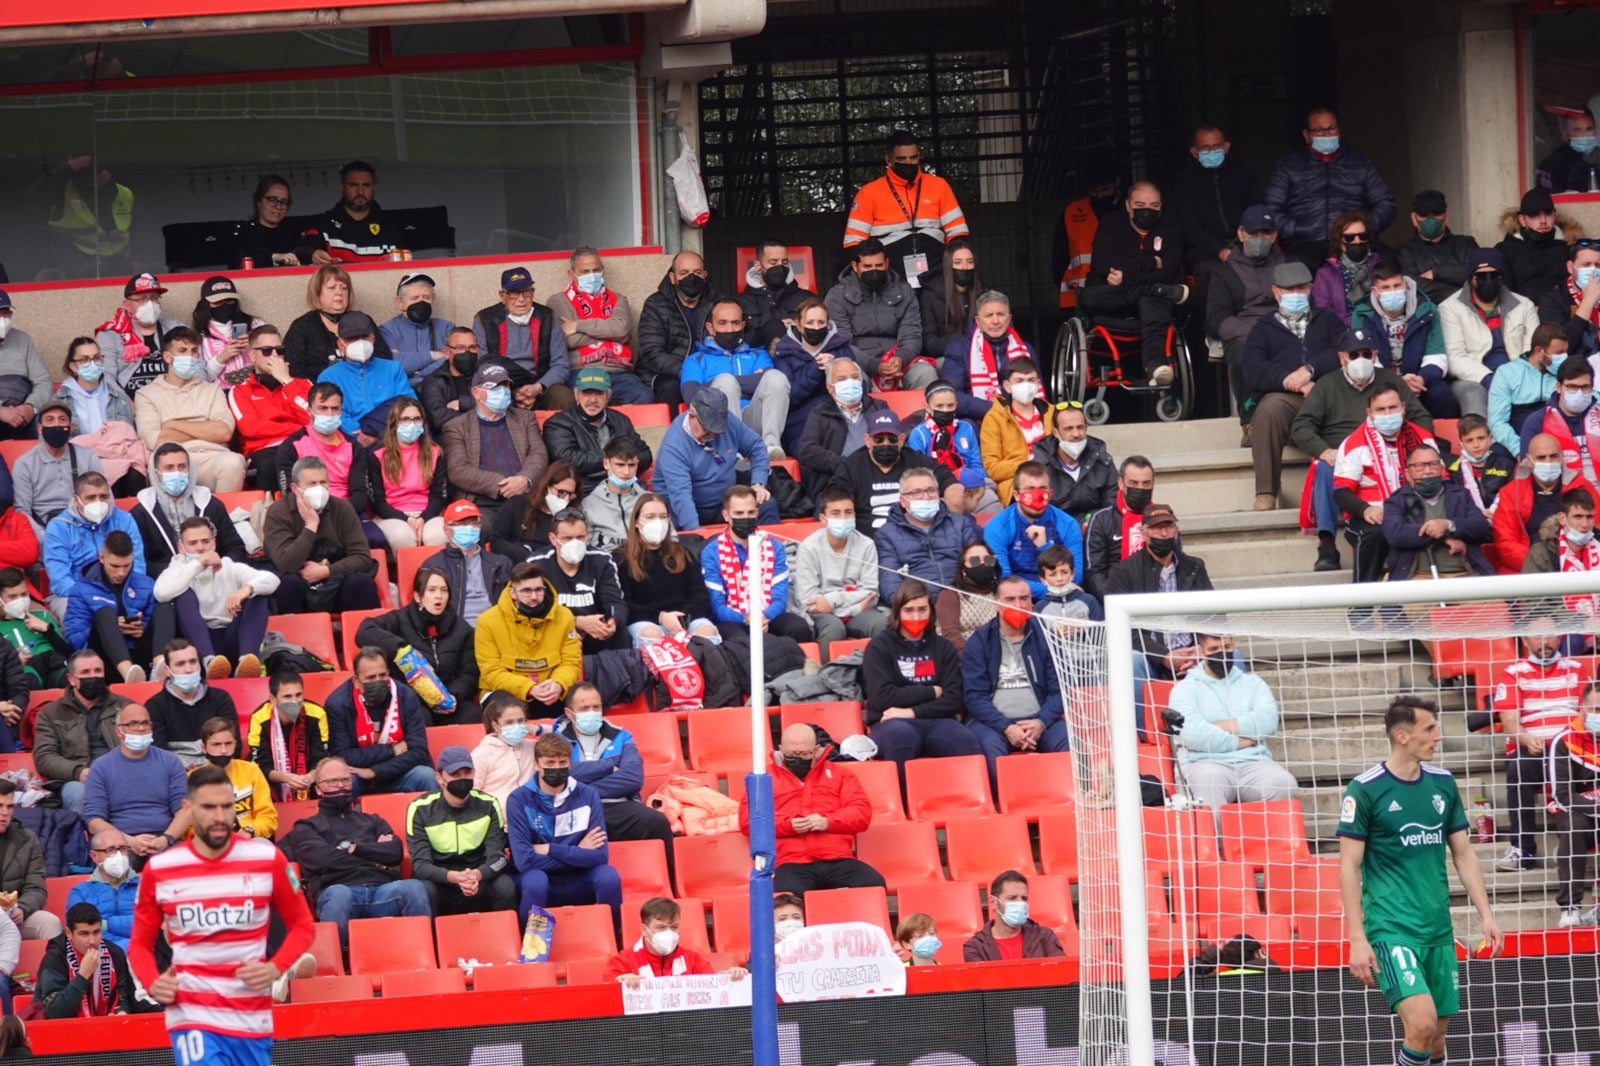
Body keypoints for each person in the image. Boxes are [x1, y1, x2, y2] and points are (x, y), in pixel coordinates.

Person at [1338, 697, 1503, 1066]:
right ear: (1402, 736)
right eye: (1429, 729)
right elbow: (1348, 867)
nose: (1437, 737)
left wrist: (1487, 916)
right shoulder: (1365, 789)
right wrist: (1357, 939)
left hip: (1437, 930)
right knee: (1423, 1023)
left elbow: (1463, 853)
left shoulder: (1443, 784)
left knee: (1436, 1042)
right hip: (1392, 928)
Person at [1291, 335, 1434, 571]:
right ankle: (1327, 544)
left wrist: (1413, 447)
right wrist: (1323, 450)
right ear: (1341, 358)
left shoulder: (1390, 380)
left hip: (1389, 447)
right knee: (1326, 468)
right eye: (1353, 355)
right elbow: (1301, 426)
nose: (1361, 360)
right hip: (1341, 453)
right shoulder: (1327, 384)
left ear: (1375, 355)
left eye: (1366, 354)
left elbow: (1421, 418)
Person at [282, 756, 428, 947]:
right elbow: (324, 860)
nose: (340, 786)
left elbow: (394, 853)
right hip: (339, 892)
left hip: (382, 891)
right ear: (318, 789)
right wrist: (374, 852)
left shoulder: (373, 820)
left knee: (414, 887)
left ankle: (421, 953)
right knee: (339, 894)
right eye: (332, 782)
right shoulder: (306, 827)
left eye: (345, 780)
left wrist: (354, 848)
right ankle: (335, 964)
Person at [1241, 261, 1346, 508]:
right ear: (1276, 292)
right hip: (1288, 398)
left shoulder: (1328, 320)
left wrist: (1310, 371)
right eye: (1289, 290)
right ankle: (1266, 492)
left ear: (1310, 289)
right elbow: (1254, 369)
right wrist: (1292, 382)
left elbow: (1342, 350)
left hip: (1328, 394)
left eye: (1301, 288)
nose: (1296, 295)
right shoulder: (1262, 328)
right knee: (1268, 409)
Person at [551, 683, 677, 884]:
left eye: (596, 707)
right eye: (584, 709)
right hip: (575, 808)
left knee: (656, 822)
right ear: (570, 713)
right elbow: (560, 774)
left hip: (619, 805)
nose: (592, 713)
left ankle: (671, 887)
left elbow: (632, 778)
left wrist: (582, 786)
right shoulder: (555, 739)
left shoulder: (621, 735)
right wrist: (608, 766)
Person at [743, 723, 882, 895]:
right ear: (781, 748)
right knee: (787, 896)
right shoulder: (763, 779)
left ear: (816, 750)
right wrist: (789, 825)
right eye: (791, 754)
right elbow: (748, 822)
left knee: (873, 884)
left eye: (804, 753)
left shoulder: (840, 774)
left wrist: (827, 821)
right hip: (790, 862)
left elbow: (861, 813)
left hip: (837, 858)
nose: (798, 758)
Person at [1493, 617, 1587, 871]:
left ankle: (1571, 842)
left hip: (1572, 747)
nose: (1544, 641)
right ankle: (1522, 851)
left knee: (1587, 767)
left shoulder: (1577, 668)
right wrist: (1525, 738)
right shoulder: (1512, 672)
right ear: (1524, 640)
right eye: (1537, 636)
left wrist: (1570, 742)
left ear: (1560, 637)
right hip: (1534, 747)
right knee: (1519, 768)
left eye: (1549, 635)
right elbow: (1509, 719)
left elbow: (1587, 713)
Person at [1164, 632, 1299, 809]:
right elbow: (1192, 735)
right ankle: (1216, 838)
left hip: (1253, 762)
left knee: (1283, 783)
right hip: (1202, 763)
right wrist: (1242, 740)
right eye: (1213, 649)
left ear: (1233, 646)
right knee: (1208, 789)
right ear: (1200, 651)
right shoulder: (1184, 689)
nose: (1222, 653)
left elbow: (1267, 721)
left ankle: (1265, 837)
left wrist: (1219, 726)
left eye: (1226, 647)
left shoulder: (1253, 683)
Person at [860, 579, 979, 775]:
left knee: (966, 742)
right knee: (901, 737)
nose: (916, 616)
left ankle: (965, 803)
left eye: (922, 609)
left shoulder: (943, 648)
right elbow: (882, 697)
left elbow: (953, 698)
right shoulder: (879, 647)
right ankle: (904, 804)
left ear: (931, 611)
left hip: (938, 721)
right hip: (890, 724)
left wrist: (910, 712)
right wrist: (932, 691)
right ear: (897, 611)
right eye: (909, 610)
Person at [1076, 181, 1189, 388]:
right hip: (1110, 300)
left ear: (1161, 206)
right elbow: (1102, 263)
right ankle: (1155, 290)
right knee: (1088, 297)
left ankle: (1155, 366)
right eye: (1140, 204)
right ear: (1128, 205)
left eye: (1154, 206)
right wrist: (1150, 263)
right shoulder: (1111, 223)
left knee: (1152, 301)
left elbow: (1168, 271)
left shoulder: (1171, 226)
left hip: (1148, 303)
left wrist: (1127, 278)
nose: (1147, 210)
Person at [506, 732, 623, 927]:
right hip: (541, 880)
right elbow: (525, 862)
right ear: (536, 764)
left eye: (562, 763)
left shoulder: (587, 795)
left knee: (608, 875)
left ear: (570, 764)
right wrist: (579, 852)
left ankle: (614, 936)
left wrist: (551, 849)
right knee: (535, 879)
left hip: (577, 878)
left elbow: (600, 856)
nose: (557, 768)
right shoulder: (518, 800)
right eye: (550, 763)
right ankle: (529, 945)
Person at [1331, 383, 1440, 584]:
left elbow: (1443, 480)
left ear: (1403, 407)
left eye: (1393, 408)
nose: (1388, 414)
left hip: (1419, 510)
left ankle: (1401, 605)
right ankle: (1362, 607)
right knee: (1376, 534)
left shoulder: (1422, 438)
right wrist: (1365, 510)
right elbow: (1341, 491)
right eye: (1380, 410)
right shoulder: (1354, 443)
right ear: (1369, 413)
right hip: (1373, 516)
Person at [961, 576, 1068, 778]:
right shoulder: (979, 641)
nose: (1018, 605)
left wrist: (1041, 722)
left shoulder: (1047, 638)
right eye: (1010, 599)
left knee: (1068, 743)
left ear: (1032, 603)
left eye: (1024, 598)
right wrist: (1006, 727)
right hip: (993, 723)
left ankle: (1066, 802)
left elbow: (1059, 691)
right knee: (988, 749)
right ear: (996, 604)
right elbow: (974, 696)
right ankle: (1005, 806)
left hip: (1041, 720)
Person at [1261, 108, 1396, 267]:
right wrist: (1297, 229)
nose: (1326, 135)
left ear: (1339, 131)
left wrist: (1362, 227)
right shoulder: (1289, 165)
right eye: (1319, 130)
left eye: (1331, 129)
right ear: (1306, 135)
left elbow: (1386, 204)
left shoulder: (1360, 163)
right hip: (1306, 242)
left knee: (1388, 261)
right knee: (1297, 266)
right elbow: (1271, 210)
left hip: (1353, 240)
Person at [1107, 504, 1213, 694]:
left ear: (1177, 531)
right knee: (1132, 660)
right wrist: (1163, 656)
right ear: (1144, 534)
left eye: (1169, 527)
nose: (1164, 534)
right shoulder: (1123, 572)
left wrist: (1202, 648)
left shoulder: (1194, 567)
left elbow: (1213, 615)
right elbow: (1121, 628)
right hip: (1150, 657)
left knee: (1231, 655)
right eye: (1157, 528)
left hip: (1193, 654)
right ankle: (1137, 724)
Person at [152, 518, 276, 680]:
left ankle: (247, 660)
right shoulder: (178, 570)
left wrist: (245, 591)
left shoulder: (229, 566)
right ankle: (209, 660)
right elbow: (161, 593)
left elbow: (272, 579)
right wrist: (200, 562)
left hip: (231, 635)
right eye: (193, 543)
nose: (200, 548)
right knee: (183, 594)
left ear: (214, 543)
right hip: (197, 643)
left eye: (205, 541)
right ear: (181, 547)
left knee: (257, 592)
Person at [355, 566, 479, 722]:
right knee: (419, 718)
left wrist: (452, 696)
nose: (438, 596)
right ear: (418, 596)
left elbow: (468, 673)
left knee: (473, 715)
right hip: (411, 699)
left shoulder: (462, 629)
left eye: (444, 590)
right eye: (431, 590)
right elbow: (364, 631)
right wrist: (400, 649)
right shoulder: (400, 619)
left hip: (446, 698)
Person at [404, 746, 516, 916]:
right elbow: (420, 865)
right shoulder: (419, 809)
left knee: (505, 885)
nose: (462, 779)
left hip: (479, 879)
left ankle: (507, 939)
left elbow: (498, 857)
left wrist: (477, 875)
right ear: (439, 778)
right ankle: (429, 940)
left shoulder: (489, 804)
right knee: (423, 889)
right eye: (455, 775)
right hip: (441, 882)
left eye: (467, 773)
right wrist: (456, 877)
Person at [261, 456, 381, 614]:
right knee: (287, 584)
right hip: (296, 581)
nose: (319, 489)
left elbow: (362, 558)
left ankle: (368, 635)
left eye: (323, 482)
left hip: (334, 579)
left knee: (362, 583)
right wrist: (311, 525)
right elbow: (286, 564)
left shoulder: (343, 508)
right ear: (295, 488)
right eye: (312, 484)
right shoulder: (278, 512)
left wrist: (326, 571)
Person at [1206, 204, 1286, 439]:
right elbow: (1217, 318)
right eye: (1253, 234)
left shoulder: (1288, 264)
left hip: (1287, 328)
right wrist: (1256, 333)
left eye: (1265, 233)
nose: (1259, 239)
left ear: (1274, 236)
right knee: (1242, 352)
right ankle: (1250, 423)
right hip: (1245, 334)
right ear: (1241, 234)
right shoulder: (1224, 271)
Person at [132, 328, 246, 492]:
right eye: (182, 351)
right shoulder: (146, 395)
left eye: (194, 351)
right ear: (167, 357)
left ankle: (225, 516)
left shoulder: (212, 390)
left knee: (233, 463)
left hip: (212, 456)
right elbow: (155, 440)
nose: (190, 356)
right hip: (170, 460)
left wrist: (172, 424)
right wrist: (204, 426)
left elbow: (224, 432)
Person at [83, 703, 191, 867]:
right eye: (133, 724)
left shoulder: (171, 762)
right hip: (120, 843)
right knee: (117, 869)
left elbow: (184, 810)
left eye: (145, 723)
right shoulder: (101, 767)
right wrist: (128, 841)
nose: (141, 728)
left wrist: (165, 839)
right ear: (119, 731)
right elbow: (94, 821)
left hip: (164, 839)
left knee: (182, 869)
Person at [681, 298, 792, 458]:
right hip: (717, 423)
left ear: (743, 326)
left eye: (735, 323)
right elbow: (691, 395)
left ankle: (770, 446)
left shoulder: (757, 354)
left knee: (776, 377)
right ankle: (732, 449)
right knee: (726, 381)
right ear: (710, 328)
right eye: (722, 323)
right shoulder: (696, 360)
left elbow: (772, 385)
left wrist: (718, 384)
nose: (730, 329)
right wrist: (736, 383)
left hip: (753, 417)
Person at [842, 130, 969, 270]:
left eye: (913, 158)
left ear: (919, 156)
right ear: (888, 160)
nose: (908, 163)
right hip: (891, 268)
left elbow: (958, 231)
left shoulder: (939, 186)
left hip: (936, 263)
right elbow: (853, 242)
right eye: (901, 159)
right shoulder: (868, 193)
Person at [441, 363, 550, 523]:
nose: (503, 391)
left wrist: (524, 479)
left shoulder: (525, 418)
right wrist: (503, 485)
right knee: (483, 529)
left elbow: (538, 454)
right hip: (482, 501)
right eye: (494, 387)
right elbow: (458, 470)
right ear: (476, 393)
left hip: (525, 496)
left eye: (505, 385)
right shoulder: (456, 427)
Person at [656, 388, 778, 530]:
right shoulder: (674, 446)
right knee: (666, 523)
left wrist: (758, 483)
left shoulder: (729, 422)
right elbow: (681, 496)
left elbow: (756, 447)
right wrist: (697, 535)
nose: (713, 436)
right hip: (680, 505)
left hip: (723, 502)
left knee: (767, 505)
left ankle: (766, 550)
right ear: (692, 417)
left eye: (718, 431)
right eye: (707, 430)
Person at [1440, 249, 1541, 419]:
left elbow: (1533, 348)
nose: (1488, 281)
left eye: (1494, 275)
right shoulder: (1450, 308)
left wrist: (1516, 377)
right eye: (1481, 276)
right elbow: (1454, 357)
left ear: (1501, 277)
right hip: (1473, 378)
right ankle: (1478, 444)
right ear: (1471, 278)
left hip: (1517, 374)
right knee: (1473, 396)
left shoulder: (1524, 305)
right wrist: (1488, 378)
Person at [701, 485, 811, 643]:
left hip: (767, 615)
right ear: (726, 515)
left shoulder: (775, 546)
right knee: (740, 640)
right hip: (732, 619)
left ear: (757, 513)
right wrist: (746, 619)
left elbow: (779, 596)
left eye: (750, 512)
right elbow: (716, 605)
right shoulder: (711, 552)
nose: (745, 518)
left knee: (798, 628)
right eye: (739, 513)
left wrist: (764, 617)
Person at [548, 247, 653, 405]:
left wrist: (577, 325)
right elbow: (569, 341)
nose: (592, 275)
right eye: (585, 271)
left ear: (602, 270)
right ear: (571, 274)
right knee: (591, 404)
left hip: (618, 371)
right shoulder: (558, 301)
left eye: (596, 270)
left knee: (645, 397)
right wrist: (612, 335)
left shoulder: (618, 299)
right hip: (581, 370)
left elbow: (622, 329)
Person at [324, 647, 436, 795]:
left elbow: (419, 750)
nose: (378, 682)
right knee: (344, 781)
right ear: (356, 681)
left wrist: (375, 771)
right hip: (358, 775)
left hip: (399, 771)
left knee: (426, 775)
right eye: (371, 678)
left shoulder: (405, 696)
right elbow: (342, 756)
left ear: (389, 673)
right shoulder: (337, 704)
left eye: (382, 675)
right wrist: (393, 750)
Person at [793, 486, 887, 658]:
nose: (843, 518)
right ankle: (822, 678)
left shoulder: (866, 544)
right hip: (823, 614)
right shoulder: (809, 547)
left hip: (856, 611)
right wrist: (856, 606)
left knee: (882, 623)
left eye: (848, 512)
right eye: (836, 513)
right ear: (823, 518)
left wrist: (832, 600)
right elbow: (809, 601)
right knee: (833, 628)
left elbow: (871, 593)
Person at [1350, 261, 1453, 418]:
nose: (1392, 292)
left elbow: (1437, 355)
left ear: (1405, 285)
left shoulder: (1427, 309)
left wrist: (1420, 379)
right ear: (1375, 291)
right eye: (1385, 287)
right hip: (1378, 381)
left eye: (1397, 285)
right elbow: (1364, 360)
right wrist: (1398, 382)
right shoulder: (1362, 314)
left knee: (1441, 394)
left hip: (1419, 380)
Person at [475, 562, 581, 714]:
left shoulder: (564, 616)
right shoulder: (487, 621)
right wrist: (529, 688)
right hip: (504, 691)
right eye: (526, 591)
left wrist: (558, 684)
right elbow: (491, 671)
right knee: (503, 707)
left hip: (550, 689)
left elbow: (571, 662)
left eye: (539, 590)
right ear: (512, 593)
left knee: (581, 699)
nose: (534, 597)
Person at [615, 493, 718, 647]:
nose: (658, 522)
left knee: (707, 631)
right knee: (652, 635)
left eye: (663, 517)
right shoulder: (621, 558)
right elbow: (625, 604)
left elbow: (699, 594)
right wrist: (661, 617)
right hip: (646, 621)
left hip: (685, 619)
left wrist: (684, 618)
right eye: (650, 517)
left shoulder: (682, 553)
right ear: (636, 521)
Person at [825, 238, 928, 391]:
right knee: (852, 380)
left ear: (886, 263)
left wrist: (901, 358)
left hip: (899, 362)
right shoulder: (836, 296)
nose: (874, 270)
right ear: (855, 266)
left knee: (925, 374)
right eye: (867, 266)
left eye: (879, 265)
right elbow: (841, 343)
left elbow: (912, 334)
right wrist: (875, 366)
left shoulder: (904, 291)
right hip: (859, 363)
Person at [834, 409, 960, 535]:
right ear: (867, 440)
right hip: (869, 542)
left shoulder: (916, 460)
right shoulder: (851, 466)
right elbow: (835, 501)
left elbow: (947, 479)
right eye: (878, 439)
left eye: (892, 439)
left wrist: (955, 510)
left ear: (901, 439)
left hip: (914, 539)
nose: (886, 444)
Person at [33, 650, 128, 815]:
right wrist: (79, 772)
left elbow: (144, 742)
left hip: (123, 774)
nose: (93, 676)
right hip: (77, 780)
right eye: (85, 672)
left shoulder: (126, 706)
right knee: (80, 795)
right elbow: (45, 757)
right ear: (71, 679)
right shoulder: (50, 713)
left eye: (98, 671)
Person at [132, 442, 249, 575]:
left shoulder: (211, 504)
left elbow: (235, 547)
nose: (177, 473)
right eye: (169, 468)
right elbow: (141, 561)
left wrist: (221, 568)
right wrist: (182, 573)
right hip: (168, 583)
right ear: (156, 472)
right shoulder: (141, 513)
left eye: (182, 467)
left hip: (214, 576)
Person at [1381, 446, 1495, 581]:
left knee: (1498, 602)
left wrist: (1448, 525)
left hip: (1466, 574)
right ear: (1407, 473)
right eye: (1420, 466)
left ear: (1442, 468)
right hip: (1418, 577)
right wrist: (1443, 538)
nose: (1428, 471)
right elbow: (1396, 534)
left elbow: (1481, 527)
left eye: (1433, 464)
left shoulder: (1459, 494)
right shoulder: (1396, 501)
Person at [470, 266, 572, 411]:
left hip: (540, 383)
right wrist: (512, 391)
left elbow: (561, 364)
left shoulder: (548, 317)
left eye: (526, 292)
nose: (521, 299)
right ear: (502, 295)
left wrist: (537, 388)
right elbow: (483, 365)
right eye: (514, 293)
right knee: (495, 398)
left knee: (563, 397)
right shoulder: (485, 319)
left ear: (533, 292)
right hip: (502, 384)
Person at [542, 366, 654, 497]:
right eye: (587, 393)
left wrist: (618, 467)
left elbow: (645, 455)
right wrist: (615, 461)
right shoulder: (558, 423)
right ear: (576, 395)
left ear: (608, 396)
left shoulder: (620, 420)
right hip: (582, 492)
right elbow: (568, 460)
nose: (593, 400)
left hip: (624, 488)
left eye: (599, 393)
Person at [1173, 125, 1263, 288]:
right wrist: (1219, 250)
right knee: (1211, 270)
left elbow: (1256, 213)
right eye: (1205, 148)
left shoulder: (1245, 174)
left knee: (1267, 265)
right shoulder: (1184, 182)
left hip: (1245, 241)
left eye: (1216, 146)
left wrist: (1245, 243)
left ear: (1226, 147)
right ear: (1194, 152)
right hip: (1204, 249)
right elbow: (1190, 228)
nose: (1211, 151)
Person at [64, 530, 158, 685]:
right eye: (114, 566)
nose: (121, 572)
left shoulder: (146, 584)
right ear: (101, 558)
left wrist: (142, 629)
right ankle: (127, 671)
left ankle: (158, 666)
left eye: (126, 565)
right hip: (101, 658)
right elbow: (75, 639)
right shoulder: (80, 590)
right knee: (104, 613)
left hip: (140, 652)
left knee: (166, 606)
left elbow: (154, 624)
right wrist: (110, 629)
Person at [874, 465, 979, 604]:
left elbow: (977, 568)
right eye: (917, 492)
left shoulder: (961, 524)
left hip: (964, 602)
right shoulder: (887, 534)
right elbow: (890, 582)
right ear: (903, 501)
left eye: (931, 490)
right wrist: (913, 608)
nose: (926, 497)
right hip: (917, 608)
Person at [1493, 433, 1597, 573]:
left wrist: (1568, 563)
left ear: (1561, 457)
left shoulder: (1582, 487)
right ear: (1529, 461)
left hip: (1579, 569)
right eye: (1541, 458)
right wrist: (1542, 566)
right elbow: (1505, 544)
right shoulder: (1511, 493)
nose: (1548, 462)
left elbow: (1596, 529)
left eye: (1553, 456)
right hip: (1525, 572)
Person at [44, 471, 145, 614]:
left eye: (103, 497)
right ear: (76, 500)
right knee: (77, 615)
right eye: (91, 498)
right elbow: (60, 580)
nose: (98, 502)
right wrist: (96, 599)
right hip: (74, 593)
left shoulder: (125, 520)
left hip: (120, 588)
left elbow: (138, 565)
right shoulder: (58, 527)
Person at [530, 509, 630, 654]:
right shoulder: (536, 564)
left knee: (621, 635)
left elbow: (615, 601)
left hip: (596, 630)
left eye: (580, 537)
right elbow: (534, 611)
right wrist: (576, 622)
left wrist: (612, 622)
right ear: (553, 539)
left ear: (587, 536)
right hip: (554, 630)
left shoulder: (602, 560)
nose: (575, 543)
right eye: (567, 538)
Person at [226, 325, 311, 491]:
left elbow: (313, 419)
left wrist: (287, 381)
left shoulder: (302, 384)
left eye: (279, 350)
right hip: (265, 451)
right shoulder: (240, 390)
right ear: (252, 355)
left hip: (303, 445)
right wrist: (296, 428)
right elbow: (251, 429)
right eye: (266, 350)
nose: (274, 356)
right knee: (272, 463)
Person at [982, 461, 1083, 598]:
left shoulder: (1068, 524)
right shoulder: (998, 526)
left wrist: (1045, 548)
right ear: (1016, 495)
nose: (1037, 495)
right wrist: (1049, 590)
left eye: (1043, 488)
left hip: (1060, 599)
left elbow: (1075, 576)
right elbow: (1003, 578)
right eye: (1030, 489)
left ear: (1050, 493)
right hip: (1015, 599)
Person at [315, 309, 415, 447]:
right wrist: (357, 433)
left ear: (373, 338)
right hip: (352, 442)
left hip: (394, 438)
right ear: (340, 344)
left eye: (364, 336)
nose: (360, 343)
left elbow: (409, 403)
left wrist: (380, 434)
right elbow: (331, 412)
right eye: (353, 338)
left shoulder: (393, 368)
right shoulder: (328, 376)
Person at [940, 289, 1037, 425]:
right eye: (989, 315)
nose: (995, 321)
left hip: (1019, 417)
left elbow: (1037, 389)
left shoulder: (1026, 349)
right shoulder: (959, 349)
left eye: (1000, 314)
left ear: (1009, 319)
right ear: (978, 321)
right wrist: (996, 410)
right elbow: (951, 395)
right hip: (977, 419)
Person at [637, 251, 718, 410]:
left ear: (705, 275)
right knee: (672, 388)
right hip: (668, 373)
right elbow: (651, 352)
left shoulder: (717, 303)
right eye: (684, 273)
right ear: (672, 278)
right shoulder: (655, 304)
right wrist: (688, 371)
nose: (691, 278)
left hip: (708, 369)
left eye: (697, 272)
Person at [14, 399, 102, 541]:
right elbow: (22, 512)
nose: (56, 425)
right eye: (50, 420)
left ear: (71, 427)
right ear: (40, 429)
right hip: (44, 531)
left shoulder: (88, 457)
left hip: (84, 528)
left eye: (62, 420)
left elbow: (105, 498)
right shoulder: (24, 464)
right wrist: (47, 539)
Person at [367, 398, 449, 550]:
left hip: (428, 512)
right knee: (402, 537)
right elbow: (377, 502)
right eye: (405, 419)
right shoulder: (377, 454)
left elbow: (439, 496)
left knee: (439, 535)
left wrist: (423, 518)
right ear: (394, 423)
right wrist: (407, 519)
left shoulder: (436, 452)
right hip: (391, 514)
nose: (412, 424)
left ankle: (435, 573)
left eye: (417, 419)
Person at [284, 265, 390, 382]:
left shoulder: (362, 320)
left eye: (344, 288)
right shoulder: (302, 326)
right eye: (332, 288)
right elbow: (294, 370)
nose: (339, 292)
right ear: (317, 293)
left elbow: (384, 357)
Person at [905, 379, 995, 516]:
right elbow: (920, 473)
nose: (945, 410)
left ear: (956, 406)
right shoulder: (919, 435)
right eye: (939, 406)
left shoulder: (966, 428)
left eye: (950, 405)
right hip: (938, 489)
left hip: (972, 486)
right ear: (927, 407)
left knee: (991, 499)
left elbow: (976, 463)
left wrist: (973, 482)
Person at [1549, 683, 1600, 926]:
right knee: (1574, 826)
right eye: (1597, 709)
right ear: (1582, 710)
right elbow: (1562, 795)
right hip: (1575, 811)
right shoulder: (1564, 740)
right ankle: (1570, 908)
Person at [145, 639, 241, 766]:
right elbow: (157, 753)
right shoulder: (155, 706)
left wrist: (207, 771)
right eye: (180, 664)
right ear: (167, 670)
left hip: (218, 772)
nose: (189, 669)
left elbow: (235, 744)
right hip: (176, 775)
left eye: (193, 661)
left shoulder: (220, 698)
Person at [607, 897, 746, 985]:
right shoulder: (621, 963)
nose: (668, 933)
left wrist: (729, 978)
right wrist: (620, 983)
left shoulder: (694, 960)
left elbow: (711, 986)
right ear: (644, 930)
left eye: (674, 927)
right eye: (661, 927)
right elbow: (608, 994)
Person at [795, 357, 881, 494]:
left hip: (877, 479)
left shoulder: (879, 408)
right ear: (830, 387)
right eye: (842, 379)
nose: (850, 383)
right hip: (836, 484)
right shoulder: (820, 413)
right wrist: (845, 465)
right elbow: (807, 451)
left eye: (854, 377)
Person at [39, 902, 138, 1018]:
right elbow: (54, 1013)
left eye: (96, 932)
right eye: (84, 934)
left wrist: (122, 1011)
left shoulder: (115, 954)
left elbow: (123, 997)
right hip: (67, 1031)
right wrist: (82, 976)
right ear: (69, 933)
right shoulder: (55, 959)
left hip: (109, 1027)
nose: (92, 941)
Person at [96, 273, 185, 397]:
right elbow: (106, 377)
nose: (149, 304)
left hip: (173, 402)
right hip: (130, 405)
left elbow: (198, 368)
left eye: (153, 298)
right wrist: (126, 404)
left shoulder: (177, 329)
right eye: (142, 298)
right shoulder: (110, 335)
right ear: (127, 304)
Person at [247, 669, 329, 803]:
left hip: (311, 778)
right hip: (272, 780)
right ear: (273, 699)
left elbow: (321, 756)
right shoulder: (259, 718)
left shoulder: (317, 714)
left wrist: (310, 777)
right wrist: (287, 778)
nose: (294, 701)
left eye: (298, 695)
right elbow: (261, 766)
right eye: (287, 697)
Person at [978, 357, 1051, 506]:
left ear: (1038, 384)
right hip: (1016, 484)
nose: (1026, 385)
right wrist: (1028, 466)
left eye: (1031, 380)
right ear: (1007, 386)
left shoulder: (1052, 413)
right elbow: (992, 468)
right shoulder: (994, 418)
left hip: (1053, 479)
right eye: (1019, 381)